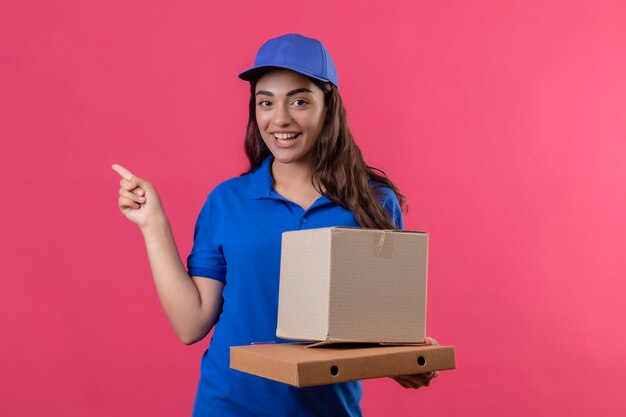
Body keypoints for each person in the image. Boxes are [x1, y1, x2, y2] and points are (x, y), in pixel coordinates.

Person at [112, 33, 438, 417]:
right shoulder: (227, 201)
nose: (280, 119)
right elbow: (191, 324)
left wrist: (407, 358)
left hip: (327, 409)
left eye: (299, 101)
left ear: (328, 106)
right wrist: (154, 226)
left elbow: (380, 327)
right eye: (265, 102)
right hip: (229, 406)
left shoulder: (373, 202)